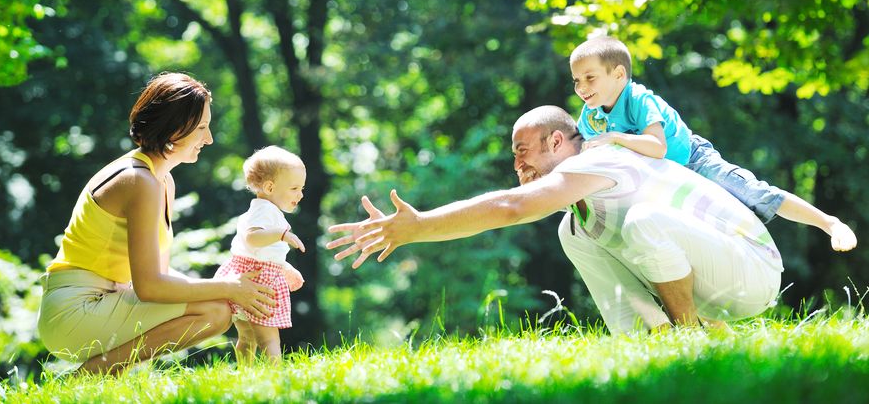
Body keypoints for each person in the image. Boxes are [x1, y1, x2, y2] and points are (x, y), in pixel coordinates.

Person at [327, 106, 857, 334]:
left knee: (645, 219)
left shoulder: (597, 159)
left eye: (524, 152)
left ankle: (688, 334)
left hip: (753, 268)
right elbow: (523, 203)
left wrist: (420, 225)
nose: (518, 168)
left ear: (558, 141)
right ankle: (654, 345)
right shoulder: (577, 204)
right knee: (573, 232)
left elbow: (511, 208)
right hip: (707, 274)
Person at [37, 72, 276, 375]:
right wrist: (228, 287)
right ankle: (96, 372)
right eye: (202, 127)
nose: (209, 138)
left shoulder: (161, 181)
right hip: (74, 311)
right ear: (176, 129)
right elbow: (150, 287)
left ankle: (99, 373)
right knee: (216, 311)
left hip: (104, 299)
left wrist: (229, 285)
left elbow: (160, 275)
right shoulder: (139, 181)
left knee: (217, 308)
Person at [569, 36, 856, 251]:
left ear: (619, 74)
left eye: (590, 78)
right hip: (656, 179)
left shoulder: (639, 100)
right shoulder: (590, 117)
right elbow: (581, 150)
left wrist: (616, 138)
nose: (581, 88)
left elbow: (658, 147)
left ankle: (829, 223)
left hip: (692, 161)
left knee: (752, 193)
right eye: (576, 81)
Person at [214, 146, 307, 364]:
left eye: (302, 188)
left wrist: (285, 268)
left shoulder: (265, 210)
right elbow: (252, 239)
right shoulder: (264, 211)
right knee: (269, 339)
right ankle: (275, 380)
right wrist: (282, 235)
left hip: (250, 274)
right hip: (258, 281)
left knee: (247, 337)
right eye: (294, 188)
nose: (300, 194)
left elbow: (262, 253)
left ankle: (245, 374)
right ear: (269, 187)